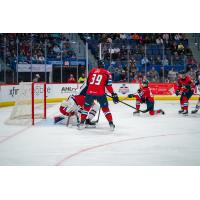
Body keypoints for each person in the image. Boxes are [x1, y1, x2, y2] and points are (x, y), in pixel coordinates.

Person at [78, 59, 119, 131]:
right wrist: (113, 94)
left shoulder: (92, 71)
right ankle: (111, 124)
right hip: (100, 94)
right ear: (104, 65)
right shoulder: (107, 73)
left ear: (98, 65)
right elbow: (108, 86)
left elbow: (88, 83)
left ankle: (81, 124)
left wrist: (95, 88)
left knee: (86, 109)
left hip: (90, 92)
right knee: (105, 109)